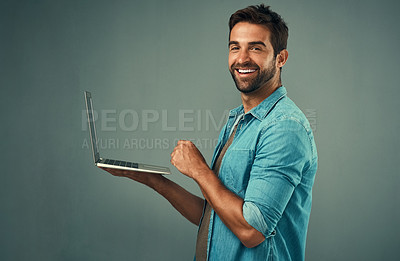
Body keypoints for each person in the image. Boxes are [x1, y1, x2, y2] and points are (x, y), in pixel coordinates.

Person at [101, 4, 317, 261]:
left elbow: (251, 230)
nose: (242, 58)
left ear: (280, 58)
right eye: (235, 47)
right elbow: (216, 217)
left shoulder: (284, 127)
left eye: (256, 47)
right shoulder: (238, 120)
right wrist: (154, 181)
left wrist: (200, 170)